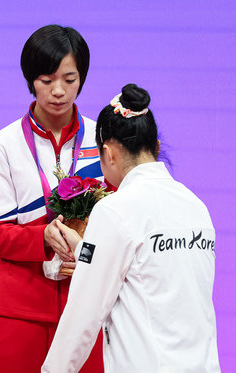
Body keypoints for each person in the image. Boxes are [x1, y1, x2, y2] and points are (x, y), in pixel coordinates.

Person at [42, 84, 221, 372]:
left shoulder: (115, 210)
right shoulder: (196, 207)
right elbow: (152, 272)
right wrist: (85, 249)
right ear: (157, 147)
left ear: (108, 153)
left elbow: (83, 314)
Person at [0, 25, 104, 372]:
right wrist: (42, 238)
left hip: (88, 304)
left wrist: (90, 253)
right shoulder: (1, 145)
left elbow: (123, 223)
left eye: (69, 78)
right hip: (18, 310)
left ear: (82, 78)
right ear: (30, 80)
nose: (59, 91)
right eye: (46, 80)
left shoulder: (104, 139)